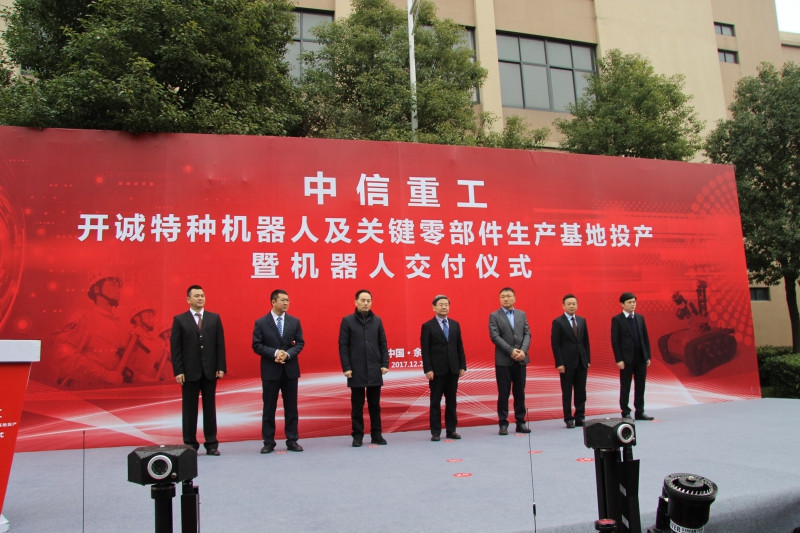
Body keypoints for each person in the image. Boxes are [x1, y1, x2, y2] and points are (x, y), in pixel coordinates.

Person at [171, 285, 226, 455]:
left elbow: (219, 344)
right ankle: (190, 444)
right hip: (189, 372)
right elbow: (176, 348)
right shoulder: (180, 320)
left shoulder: (214, 318)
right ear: (188, 299)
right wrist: (178, 370)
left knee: (210, 409)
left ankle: (211, 444)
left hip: (209, 371)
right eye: (196, 296)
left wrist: (220, 367)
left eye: (202, 295)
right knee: (189, 410)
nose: (200, 298)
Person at [252, 289, 305, 453]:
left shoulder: (294, 321)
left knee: (291, 408)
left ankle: (292, 440)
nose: (286, 303)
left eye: (287, 300)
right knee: (269, 408)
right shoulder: (261, 322)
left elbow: (300, 343)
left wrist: (287, 354)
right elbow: (257, 345)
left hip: (290, 370)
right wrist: (275, 353)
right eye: (282, 300)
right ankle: (268, 442)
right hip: (271, 370)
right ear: (273, 302)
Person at [54, 273, 129, 388]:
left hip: (112, 391)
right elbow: (63, 352)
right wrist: (103, 375)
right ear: (97, 289)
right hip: (85, 390)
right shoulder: (84, 317)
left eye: (118, 287)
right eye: (113, 285)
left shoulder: (120, 326)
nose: (118, 290)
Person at [339, 290, 389, 447]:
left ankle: (376, 434)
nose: (366, 303)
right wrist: (347, 367)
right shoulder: (347, 321)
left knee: (375, 404)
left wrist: (384, 364)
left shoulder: (377, 320)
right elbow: (343, 346)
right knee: (357, 405)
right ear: (356, 302)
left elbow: (383, 344)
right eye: (363, 300)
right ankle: (357, 435)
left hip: (374, 367)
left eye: (368, 300)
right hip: (356, 369)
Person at [420, 295, 466, 441]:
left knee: (451, 401)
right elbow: (425, 350)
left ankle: (451, 430)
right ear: (434, 307)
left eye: (446, 304)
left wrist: (462, 365)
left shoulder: (455, 324)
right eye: (440, 304)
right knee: (435, 402)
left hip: (453, 369)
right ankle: (436, 432)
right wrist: (428, 369)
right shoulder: (428, 326)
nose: (444, 307)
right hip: (436, 371)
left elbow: (459, 346)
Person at [489, 287, 532, 435]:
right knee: (504, 393)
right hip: (503, 361)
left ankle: (521, 422)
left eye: (508, 296)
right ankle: (503, 423)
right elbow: (495, 337)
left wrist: (523, 351)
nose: (505, 299)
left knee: (520, 392)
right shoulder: (494, 316)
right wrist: (511, 351)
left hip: (521, 359)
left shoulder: (521, 314)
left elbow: (527, 334)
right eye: (502, 296)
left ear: (514, 298)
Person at [611, 292, 653, 421]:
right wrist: (619, 359)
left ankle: (640, 411)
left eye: (634, 302)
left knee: (640, 385)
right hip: (626, 358)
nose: (632, 304)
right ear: (622, 304)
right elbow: (615, 341)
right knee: (626, 386)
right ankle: (625, 412)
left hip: (640, 357)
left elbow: (645, 337)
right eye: (629, 302)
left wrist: (647, 356)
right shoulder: (617, 319)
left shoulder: (639, 318)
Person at [550, 294, 591, 428]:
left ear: (577, 305)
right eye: (569, 304)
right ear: (563, 306)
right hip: (566, 364)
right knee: (567, 392)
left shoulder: (582, 320)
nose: (572, 306)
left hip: (581, 362)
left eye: (574, 304)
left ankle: (580, 417)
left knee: (581, 391)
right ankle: (568, 418)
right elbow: (556, 344)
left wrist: (587, 359)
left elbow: (586, 342)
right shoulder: (558, 322)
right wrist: (559, 363)